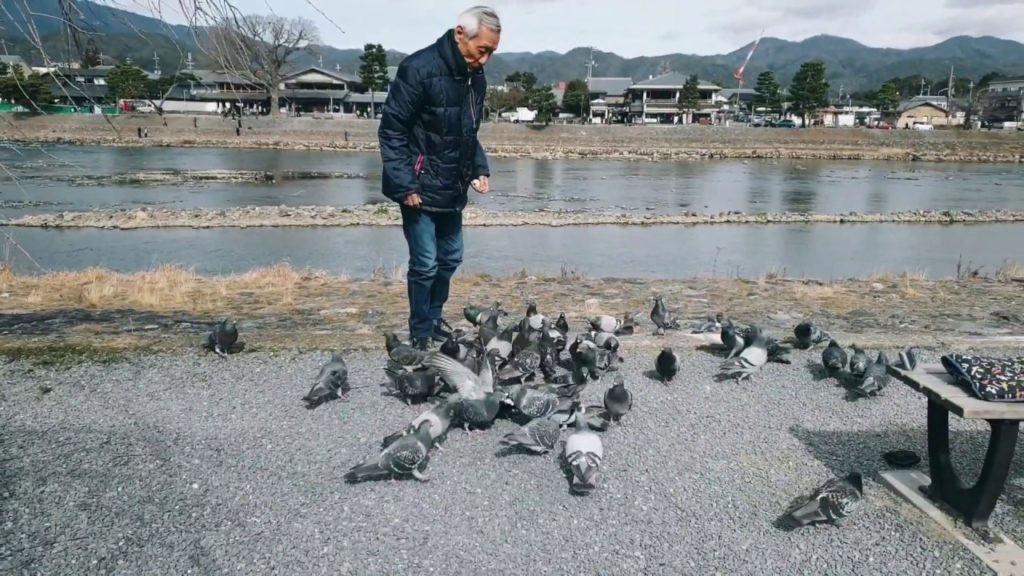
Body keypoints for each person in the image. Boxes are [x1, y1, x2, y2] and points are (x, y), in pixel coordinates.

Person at [378, 6, 501, 350]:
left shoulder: (475, 77)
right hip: (417, 188)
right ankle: (420, 331)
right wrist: (404, 184)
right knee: (425, 264)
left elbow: (467, 132)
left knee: (450, 259)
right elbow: (391, 131)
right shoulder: (418, 68)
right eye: (482, 50)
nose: (485, 59)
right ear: (461, 34)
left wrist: (478, 168)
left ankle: (433, 320)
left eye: (492, 52)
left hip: (451, 186)